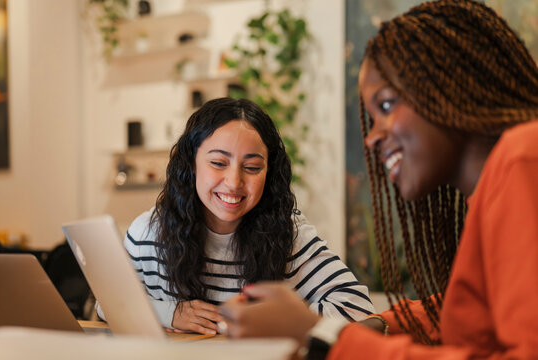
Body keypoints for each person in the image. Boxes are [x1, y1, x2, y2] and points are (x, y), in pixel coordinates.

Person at [218, 0, 538, 358]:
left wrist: (325, 337)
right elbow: (471, 310)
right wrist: (379, 325)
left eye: (386, 106)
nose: (371, 137)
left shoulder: (524, 157)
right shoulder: (500, 182)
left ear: (450, 88)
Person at [112, 97, 375, 335]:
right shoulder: (147, 232)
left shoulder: (289, 236)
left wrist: (275, 322)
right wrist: (168, 313)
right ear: (191, 164)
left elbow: (357, 309)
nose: (234, 182)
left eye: (252, 167)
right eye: (218, 163)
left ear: (268, 173)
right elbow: (108, 303)